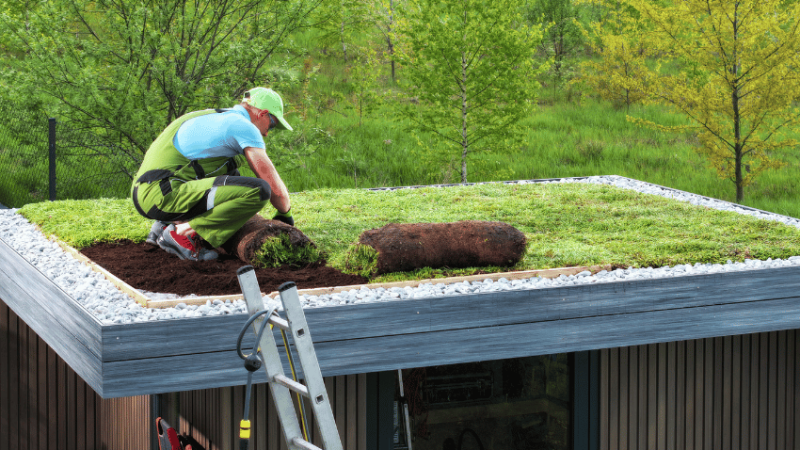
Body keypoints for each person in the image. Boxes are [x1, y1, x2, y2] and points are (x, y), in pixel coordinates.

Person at [131, 87, 295, 261]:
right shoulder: (243, 126)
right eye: (273, 124)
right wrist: (285, 214)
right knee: (259, 190)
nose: (268, 132)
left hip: (149, 191)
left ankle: (164, 224)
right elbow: (274, 188)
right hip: (162, 195)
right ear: (262, 113)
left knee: (232, 172)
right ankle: (183, 233)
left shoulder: (209, 116)